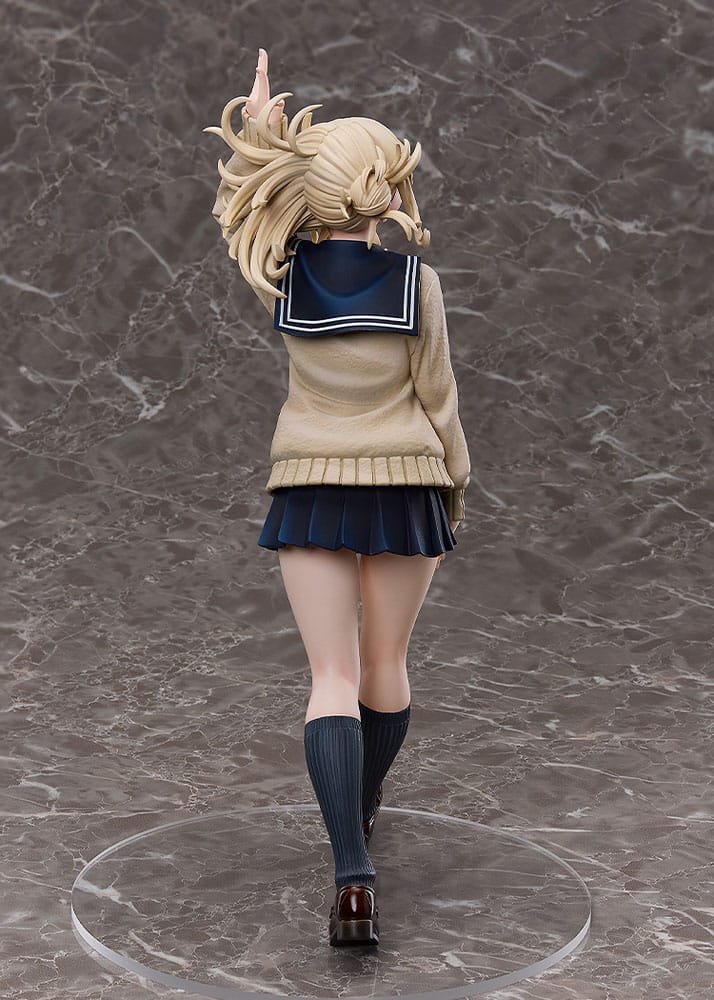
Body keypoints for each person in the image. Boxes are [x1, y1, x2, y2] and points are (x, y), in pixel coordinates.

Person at [203, 47, 471, 947]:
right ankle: (358, 808)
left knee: (331, 676)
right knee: (385, 666)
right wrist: (455, 484)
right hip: (406, 488)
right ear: (380, 191)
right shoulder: (417, 285)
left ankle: (352, 878)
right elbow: (439, 401)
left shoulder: (284, 275)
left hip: (310, 486)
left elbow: (245, 214)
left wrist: (260, 138)